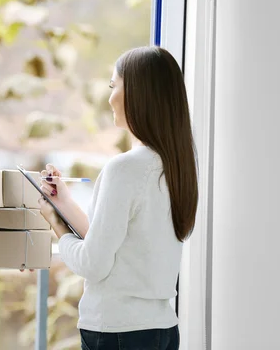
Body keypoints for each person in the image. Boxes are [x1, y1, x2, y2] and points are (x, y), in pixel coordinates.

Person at [38, 46, 198, 350]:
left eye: (114, 86)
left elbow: (93, 264)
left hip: (117, 332)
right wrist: (64, 204)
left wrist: (55, 226)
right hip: (162, 329)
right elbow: (113, 246)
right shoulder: (175, 166)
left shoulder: (124, 168)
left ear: (138, 93)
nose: (109, 98)